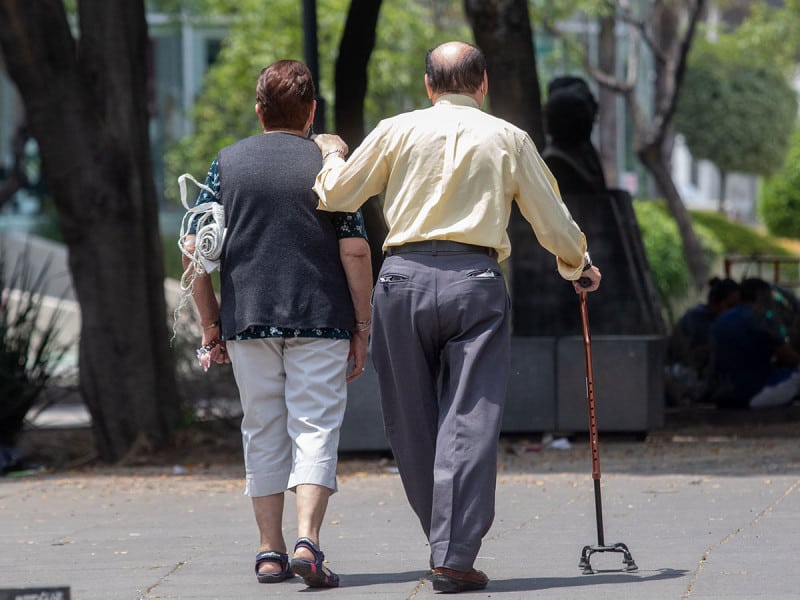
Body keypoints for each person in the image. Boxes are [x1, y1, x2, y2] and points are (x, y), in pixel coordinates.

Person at [312, 41, 601, 593]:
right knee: (470, 417)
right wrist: (577, 264)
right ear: (483, 84)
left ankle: (444, 543)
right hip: (475, 282)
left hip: (401, 281)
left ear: (429, 85)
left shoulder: (396, 130)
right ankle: (453, 552)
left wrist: (329, 154)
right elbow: (551, 216)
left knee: (409, 420)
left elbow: (339, 196)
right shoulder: (509, 137)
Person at [181, 60, 372, 589]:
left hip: (248, 320)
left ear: (258, 110)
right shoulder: (327, 165)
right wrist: (363, 325)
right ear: (311, 111)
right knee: (315, 426)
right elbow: (355, 249)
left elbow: (194, 248)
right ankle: (308, 541)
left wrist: (210, 324)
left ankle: (270, 551)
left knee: (262, 428)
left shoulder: (227, 163)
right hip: (322, 318)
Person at [707, 277, 800, 409]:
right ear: (762, 296)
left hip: (721, 398)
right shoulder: (760, 317)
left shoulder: (720, 319)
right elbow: (789, 358)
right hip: (752, 396)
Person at [665, 277, 741, 405]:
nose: (734, 312)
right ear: (713, 303)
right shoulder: (696, 320)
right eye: (730, 306)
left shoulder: (728, 321)